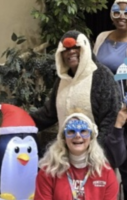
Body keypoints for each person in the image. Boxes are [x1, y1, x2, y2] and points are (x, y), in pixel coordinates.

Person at [30, 30, 122, 160]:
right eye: (66, 49)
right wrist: (21, 120)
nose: (71, 52)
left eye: (76, 47)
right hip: (66, 155)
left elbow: (111, 117)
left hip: (96, 157)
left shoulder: (102, 76)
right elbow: (49, 114)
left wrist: (97, 150)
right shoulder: (62, 79)